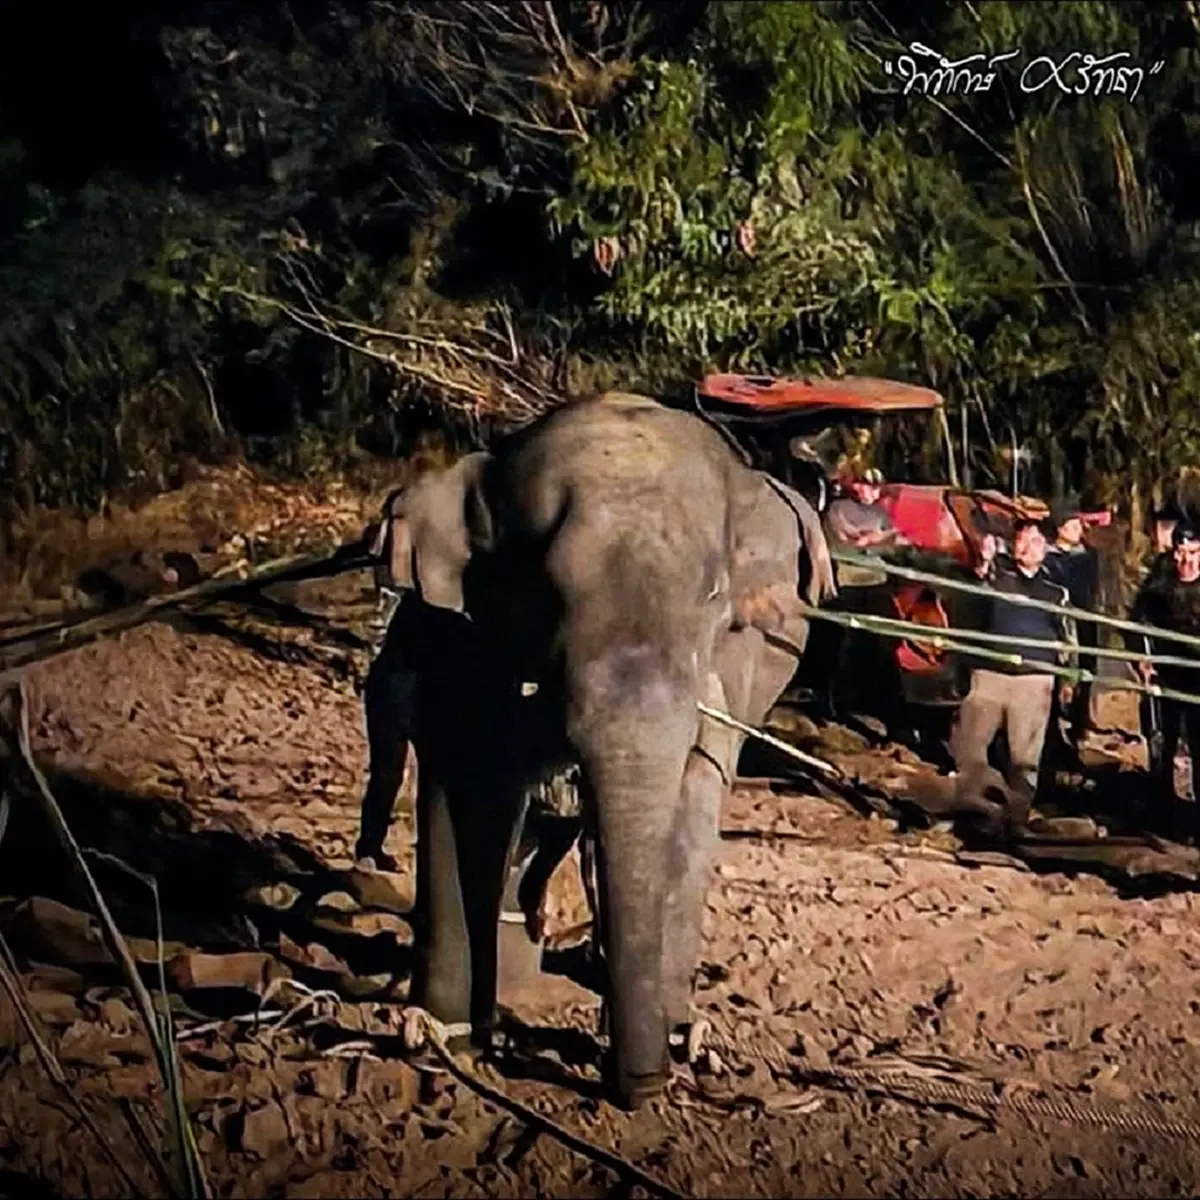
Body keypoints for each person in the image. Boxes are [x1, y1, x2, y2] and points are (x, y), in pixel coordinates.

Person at [949, 517, 1074, 835]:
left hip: (1034, 679)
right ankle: (972, 808)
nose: (1026, 546)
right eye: (1021, 539)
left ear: (1046, 548)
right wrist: (983, 560)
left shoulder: (1055, 591)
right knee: (971, 742)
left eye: (1034, 541)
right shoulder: (995, 578)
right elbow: (974, 586)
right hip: (989, 674)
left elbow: (1068, 638)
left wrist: (1068, 678)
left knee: (1024, 755)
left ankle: (1016, 817)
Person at [1129, 521, 1200, 839]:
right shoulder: (1159, 587)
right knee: (1161, 746)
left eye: (1194, 552)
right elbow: (1135, 627)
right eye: (1181, 552)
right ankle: (1162, 816)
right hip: (1167, 679)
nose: (1187, 560)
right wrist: (1141, 661)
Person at [1044, 497, 1101, 753]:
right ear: (1060, 529)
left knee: (1087, 669)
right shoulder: (1049, 559)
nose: (1078, 528)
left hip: (1085, 619)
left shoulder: (1089, 556)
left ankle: (1080, 720)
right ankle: (1053, 726)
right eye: (1072, 524)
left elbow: (1092, 588)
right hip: (1059, 621)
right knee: (1057, 673)